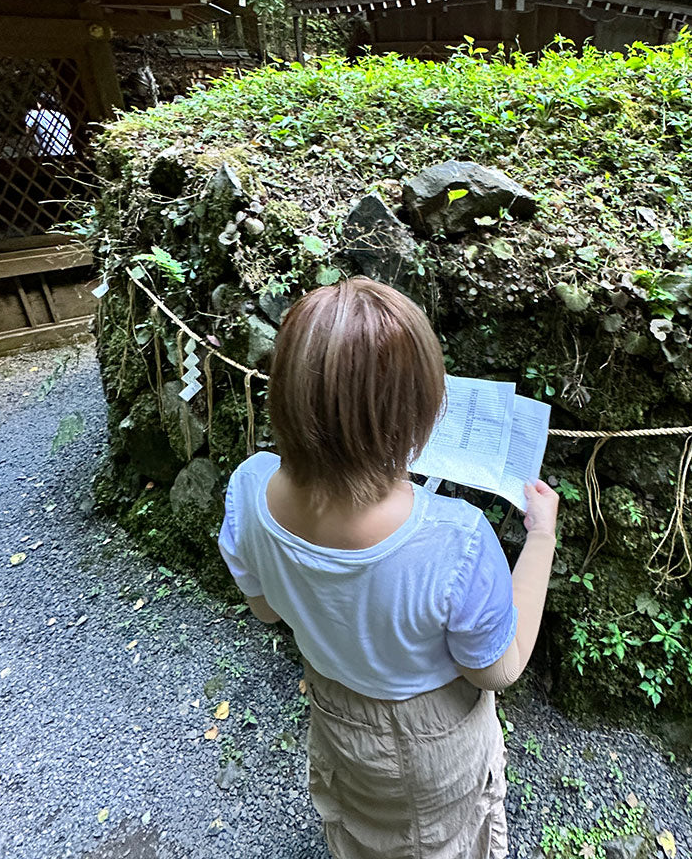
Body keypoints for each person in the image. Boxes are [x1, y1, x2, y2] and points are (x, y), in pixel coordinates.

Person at [218, 276, 558, 859]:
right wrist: (542, 537)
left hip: (332, 704)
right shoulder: (458, 538)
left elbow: (267, 609)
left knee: (356, 824)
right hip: (431, 737)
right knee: (442, 842)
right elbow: (494, 670)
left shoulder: (249, 487)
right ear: (417, 416)